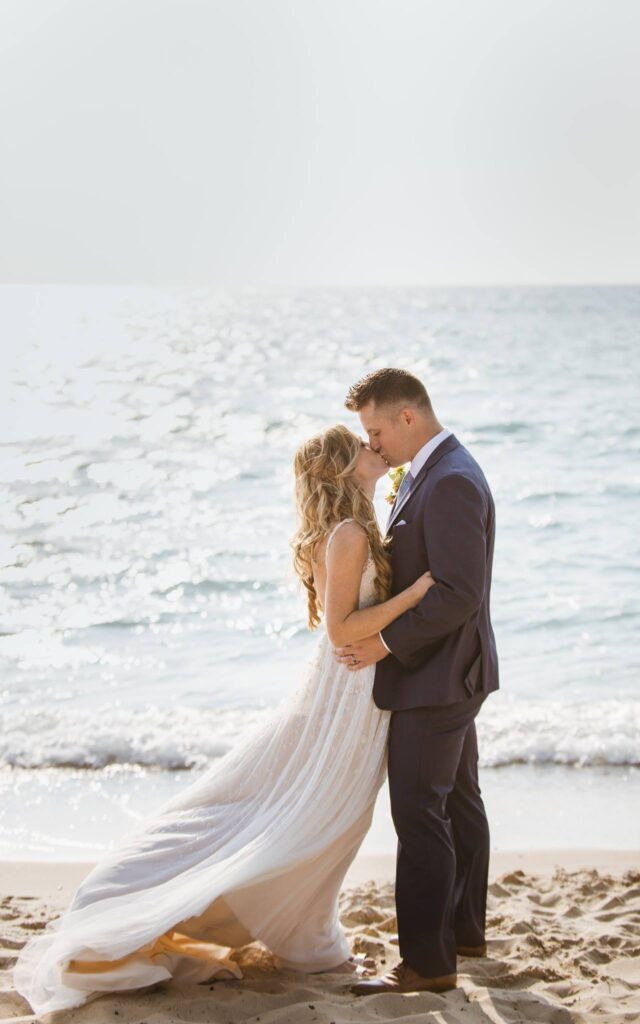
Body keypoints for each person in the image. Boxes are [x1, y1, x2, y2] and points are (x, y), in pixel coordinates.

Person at [13, 422, 435, 1019]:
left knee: (328, 821)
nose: (374, 448)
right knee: (318, 821)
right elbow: (342, 630)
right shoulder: (346, 534)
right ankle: (202, 925)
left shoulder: (352, 527)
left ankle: (305, 936)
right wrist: (414, 599)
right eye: (360, 445)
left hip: (354, 690)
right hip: (346, 691)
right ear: (343, 467)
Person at [333, 368, 499, 996]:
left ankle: (428, 965)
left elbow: (458, 593)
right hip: (455, 670)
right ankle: (463, 933)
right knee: (457, 800)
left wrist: (382, 643)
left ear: (408, 417)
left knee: (418, 811)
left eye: (376, 431)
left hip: (440, 676)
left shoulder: (450, 480)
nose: (372, 444)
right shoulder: (437, 470)